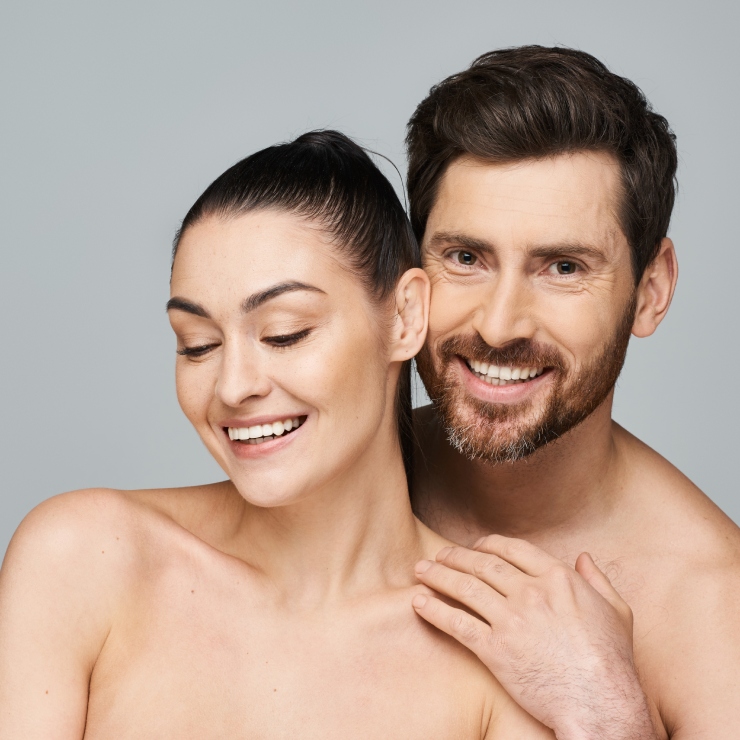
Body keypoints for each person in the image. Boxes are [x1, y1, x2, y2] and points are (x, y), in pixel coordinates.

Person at [0, 131, 553, 738]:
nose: (232, 387)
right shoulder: (84, 560)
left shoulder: (496, 647)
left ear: (404, 318)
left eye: (284, 333)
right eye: (198, 345)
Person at [405, 46, 740, 739]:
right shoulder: (326, 480)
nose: (498, 326)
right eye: (465, 258)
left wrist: (610, 713)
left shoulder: (716, 608)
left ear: (651, 290)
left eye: (562, 267)